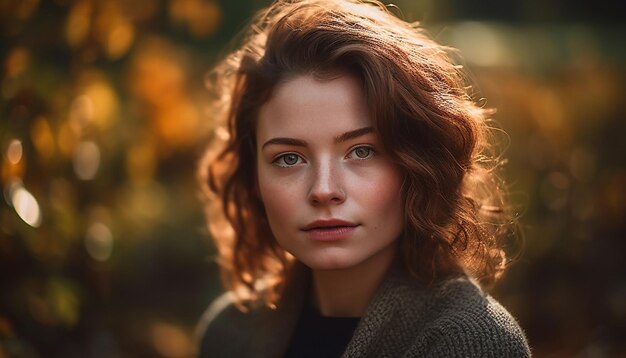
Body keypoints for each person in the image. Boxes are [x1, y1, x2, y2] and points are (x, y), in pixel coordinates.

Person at [195, 0, 530, 356]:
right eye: (289, 158)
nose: (324, 191)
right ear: (254, 180)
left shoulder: (473, 343)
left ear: (419, 164)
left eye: (362, 151)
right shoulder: (227, 334)